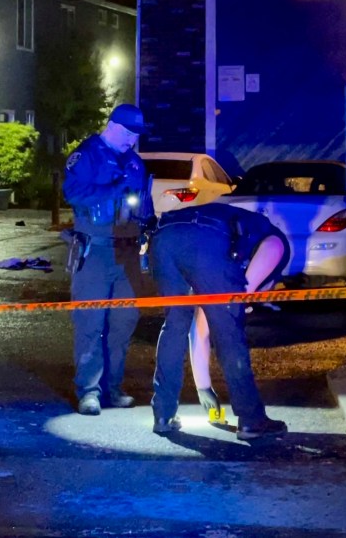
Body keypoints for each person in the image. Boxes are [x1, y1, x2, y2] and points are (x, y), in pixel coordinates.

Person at [149, 202, 289, 440]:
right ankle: (251, 421)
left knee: (174, 325)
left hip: (164, 237)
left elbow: (199, 330)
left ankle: (163, 415)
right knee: (229, 332)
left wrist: (204, 387)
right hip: (203, 239)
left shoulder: (242, 230)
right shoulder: (277, 244)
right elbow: (232, 307)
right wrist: (240, 304)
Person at [62, 104, 156, 416]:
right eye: (129, 133)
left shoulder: (134, 162)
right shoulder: (86, 154)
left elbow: (144, 203)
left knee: (122, 325)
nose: (133, 140)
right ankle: (89, 391)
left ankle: (113, 388)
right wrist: (112, 191)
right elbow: (73, 193)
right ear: (113, 125)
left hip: (127, 253)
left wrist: (149, 222)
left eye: (136, 135)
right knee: (90, 324)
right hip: (95, 250)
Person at [188, 222, 289, 420]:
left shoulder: (272, 245)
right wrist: (203, 386)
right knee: (231, 337)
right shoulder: (209, 269)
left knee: (231, 331)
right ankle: (250, 421)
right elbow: (199, 331)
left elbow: (241, 296)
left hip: (265, 247)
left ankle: (250, 419)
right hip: (224, 253)